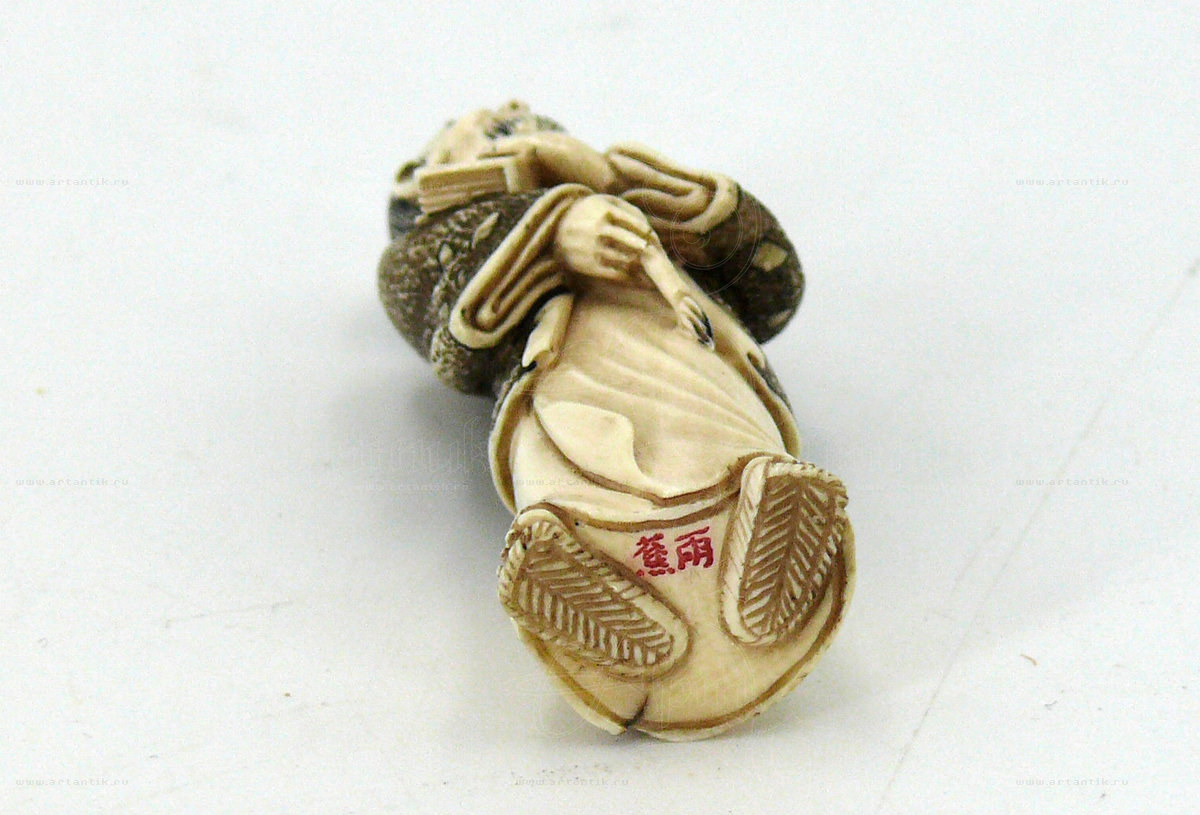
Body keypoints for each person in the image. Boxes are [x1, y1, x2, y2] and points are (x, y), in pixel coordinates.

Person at [378, 101, 853, 739]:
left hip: (681, 344)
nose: (510, 121)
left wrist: (648, 193)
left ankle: (767, 522)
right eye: (489, 133)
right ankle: (575, 565)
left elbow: (772, 287)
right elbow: (437, 323)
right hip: (563, 356)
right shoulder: (447, 238)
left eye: (520, 122)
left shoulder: (631, 192)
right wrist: (552, 230)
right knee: (571, 446)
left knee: (714, 423)